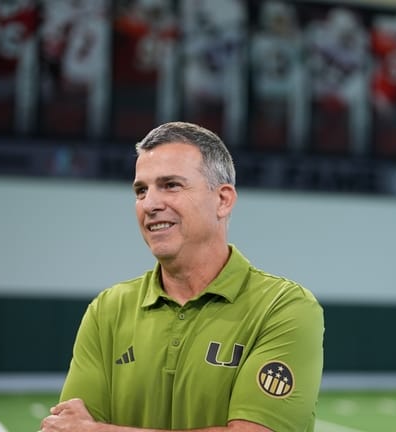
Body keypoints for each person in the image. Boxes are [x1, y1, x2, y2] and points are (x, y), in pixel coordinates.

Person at [41, 121, 324, 432]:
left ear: (223, 200)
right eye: (141, 190)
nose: (149, 204)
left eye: (171, 185)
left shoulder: (284, 308)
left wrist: (98, 431)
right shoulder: (107, 310)